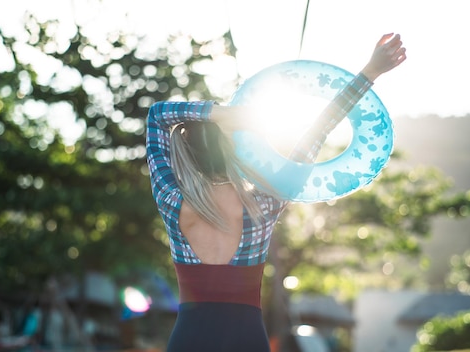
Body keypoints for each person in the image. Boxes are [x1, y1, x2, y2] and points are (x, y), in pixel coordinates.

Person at [146, 33, 406, 352]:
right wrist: (370, 71)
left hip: (189, 341)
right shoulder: (264, 201)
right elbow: (320, 128)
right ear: (231, 149)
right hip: (247, 341)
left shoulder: (172, 202)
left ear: (185, 155)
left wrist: (220, 114)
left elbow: (156, 117)